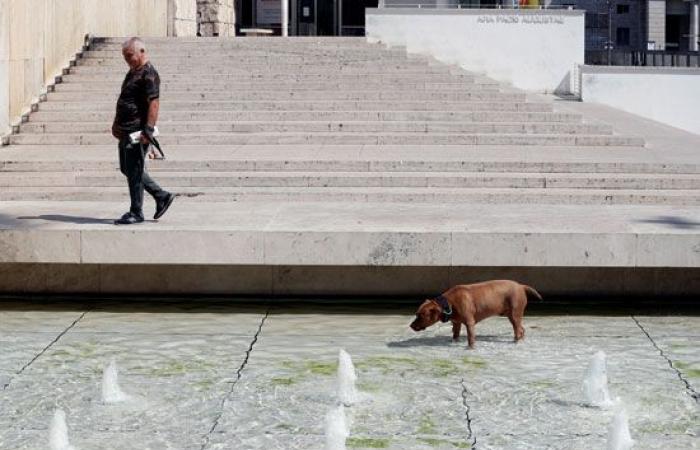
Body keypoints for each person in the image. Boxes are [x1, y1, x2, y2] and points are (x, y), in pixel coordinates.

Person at [111, 37, 174, 225]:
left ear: (142, 52)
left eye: (129, 55)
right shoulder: (133, 72)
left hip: (137, 131)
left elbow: (154, 103)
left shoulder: (149, 74)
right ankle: (161, 195)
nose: (127, 59)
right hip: (125, 130)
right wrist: (116, 123)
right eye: (124, 56)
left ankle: (136, 211)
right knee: (127, 168)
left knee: (135, 169)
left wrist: (148, 130)